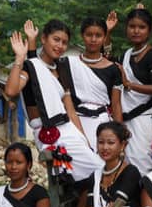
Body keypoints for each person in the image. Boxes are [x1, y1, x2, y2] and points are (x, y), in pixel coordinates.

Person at [5, 20, 104, 183]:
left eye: (64, 42)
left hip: (69, 131)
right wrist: (19, 58)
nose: (60, 46)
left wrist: (84, 140)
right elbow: (11, 91)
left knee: (95, 173)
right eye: (56, 40)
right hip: (50, 134)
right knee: (98, 170)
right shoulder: (30, 67)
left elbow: (70, 111)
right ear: (43, 39)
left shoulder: (60, 69)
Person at [47, 15, 123, 146]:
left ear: (105, 37)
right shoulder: (66, 64)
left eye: (98, 35)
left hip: (103, 124)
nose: (93, 39)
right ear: (82, 35)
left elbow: (116, 105)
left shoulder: (113, 69)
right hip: (75, 122)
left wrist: (120, 136)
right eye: (89, 35)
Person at [116, 8, 152, 175]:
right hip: (128, 119)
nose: (136, 31)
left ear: (149, 30)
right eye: (132, 26)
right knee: (128, 163)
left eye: (141, 27)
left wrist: (129, 85)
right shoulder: (126, 55)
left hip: (145, 119)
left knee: (143, 162)